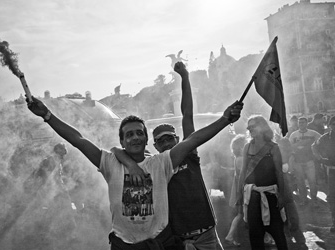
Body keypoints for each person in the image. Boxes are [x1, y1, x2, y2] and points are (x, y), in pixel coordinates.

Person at [26, 84, 243, 249]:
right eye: (129, 134)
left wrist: (225, 119)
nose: (135, 137)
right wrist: (47, 115)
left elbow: (192, 140)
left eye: (140, 133)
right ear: (122, 141)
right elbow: (78, 139)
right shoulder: (110, 163)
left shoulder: (160, 163)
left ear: (147, 140)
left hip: (161, 244)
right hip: (125, 245)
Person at [112, 62, 230, 250]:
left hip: (207, 234)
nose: (166, 143)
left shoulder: (188, 154)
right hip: (179, 239)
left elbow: (187, 115)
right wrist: (130, 163)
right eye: (161, 140)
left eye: (169, 138)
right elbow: (117, 151)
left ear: (177, 140)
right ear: (155, 146)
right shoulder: (153, 164)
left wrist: (185, 78)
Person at [238, 115, 288, 250]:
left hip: (270, 195)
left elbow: (279, 173)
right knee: (255, 235)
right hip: (252, 197)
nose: (250, 129)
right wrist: (239, 195)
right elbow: (242, 172)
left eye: (253, 126)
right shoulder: (247, 147)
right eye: (248, 127)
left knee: (278, 233)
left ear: (262, 127)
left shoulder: (273, 147)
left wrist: (282, 195)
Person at [274, 132, 306, 246]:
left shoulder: (286, 154)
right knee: (287, 207)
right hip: (282, 184)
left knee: (286, 207)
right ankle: (291, 230)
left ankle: (291, 230)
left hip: (283, 184)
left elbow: (287, 169)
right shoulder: (283, 154)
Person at [289, 117, 321, 206]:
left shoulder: (313, 133)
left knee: (312, 181)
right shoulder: (293, 135)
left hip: (309, 161)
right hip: (298, 161)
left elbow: (321, 140)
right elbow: (290, 146)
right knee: (300, 182)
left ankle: (314, 199)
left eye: (303, 122)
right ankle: (304, 199)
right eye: (299, 123)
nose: (301, 124)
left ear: (307, 123)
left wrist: (314, 148)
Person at [312, 116, 335, 232]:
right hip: (332, 170)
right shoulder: (325, 138)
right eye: (333, 124)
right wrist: (320, 159)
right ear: (330, 126)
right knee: (332, 197)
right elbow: (314, 147)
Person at [225, 134, 247, 247]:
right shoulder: (241, 159)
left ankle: (230, 236)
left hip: (241, 189)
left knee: (241, 214)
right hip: (243, 190)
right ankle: (230, 236)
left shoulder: (237, 158)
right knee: (241, 214)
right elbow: (243, 177)